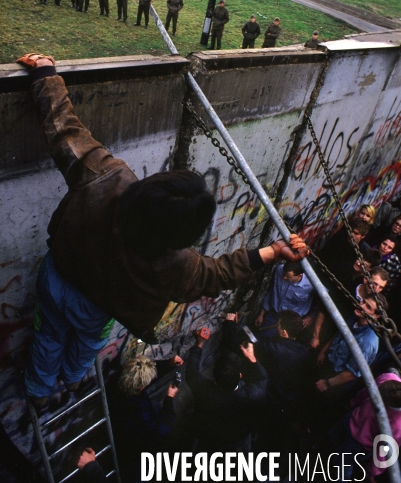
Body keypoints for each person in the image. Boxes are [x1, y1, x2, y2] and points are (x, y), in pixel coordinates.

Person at [16, 52, 308, 407]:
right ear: (184, 235)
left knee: (48, 336)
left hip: (58, 278)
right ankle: (74, 379)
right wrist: (273, 252)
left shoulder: (107, 178)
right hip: (100, 307)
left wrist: (45, 73)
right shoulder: (179, 266)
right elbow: (217, 274)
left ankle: (39, 390)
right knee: (86, 343)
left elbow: (65, 130)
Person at [186, 330, 268, 451]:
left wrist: (199, 344)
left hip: (208, 437)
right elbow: (264, 379)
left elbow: (191, 373)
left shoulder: (204, 391)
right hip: (239, 437)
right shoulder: (252, 396)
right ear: (240, 376)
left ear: (215, 381)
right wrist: (252, 357)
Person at [109, 356, 177, 481]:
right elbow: (162, 431)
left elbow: (143, 378)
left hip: (121, 437)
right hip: (136, 453)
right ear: (141, 388)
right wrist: (169, 400)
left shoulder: (117, 384)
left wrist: (169, 364)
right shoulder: (140, 411)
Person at [329, 373, 401, 481]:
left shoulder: (398, 424)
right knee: (334, 440)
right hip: (351, 420)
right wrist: (354, 402)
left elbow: (385, 452)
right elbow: (367, 391)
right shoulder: (388, 378)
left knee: (343, 466)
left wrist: (371, 472)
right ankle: (326, 451)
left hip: (360, 443)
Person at [315, 295, 387, 393]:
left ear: (376, 316)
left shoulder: (367, 342)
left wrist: (327, 383)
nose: (362, 306)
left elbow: (351, 374)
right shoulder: (356, 317)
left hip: (336, 379)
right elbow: (340, 333)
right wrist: (324, 351)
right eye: (363, 302)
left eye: (368, 307)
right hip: (330, 362)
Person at [255, 261, 324, 347]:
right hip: (273, 316)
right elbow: (272, 291)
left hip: (292, 323)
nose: (284, 277)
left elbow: (320, 302)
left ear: (299, 275)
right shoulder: (279, 270)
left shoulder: (312, 284)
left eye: (289, 277)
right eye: (284, 274)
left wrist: (311, 317)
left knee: (281, 348)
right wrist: (262, 313)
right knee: (262, 343)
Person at [260, 310, 311, 411]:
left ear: (284, 332)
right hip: (287, 398)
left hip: (269, 394)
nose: (276, 326)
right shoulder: (304, 351)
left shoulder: (272, 347)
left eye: (278, 325)